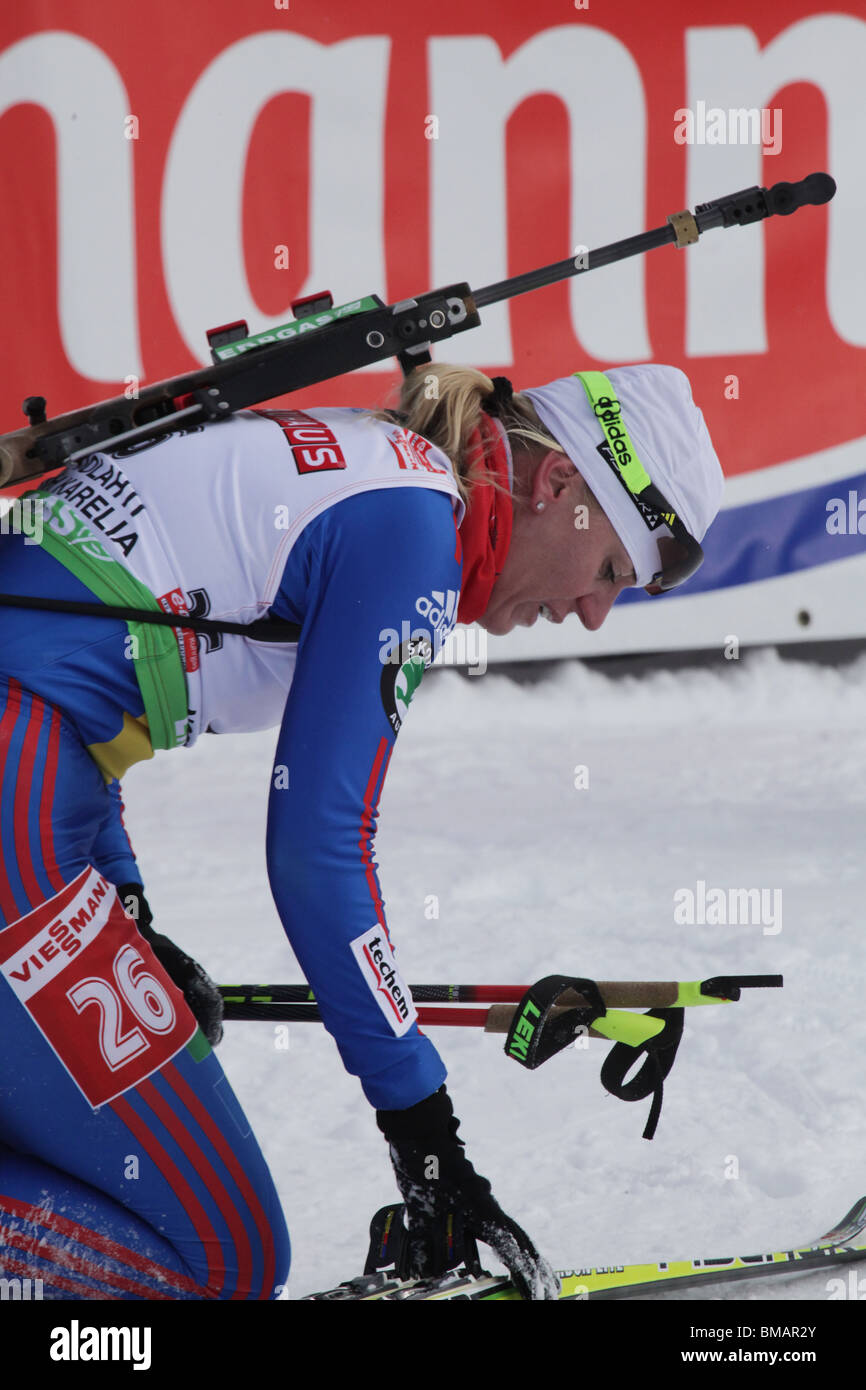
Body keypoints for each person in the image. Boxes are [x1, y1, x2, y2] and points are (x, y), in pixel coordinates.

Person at [0, 359, 723, 1300]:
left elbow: (76, 672)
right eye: (613, 571)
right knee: (218, 1257)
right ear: (559, 486)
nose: (591, 613)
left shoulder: (378, 472)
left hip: (37, 803)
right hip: (21, 820)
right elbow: (319, 847)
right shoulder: (413, 523)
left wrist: (125, 905)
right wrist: (426, 1135)